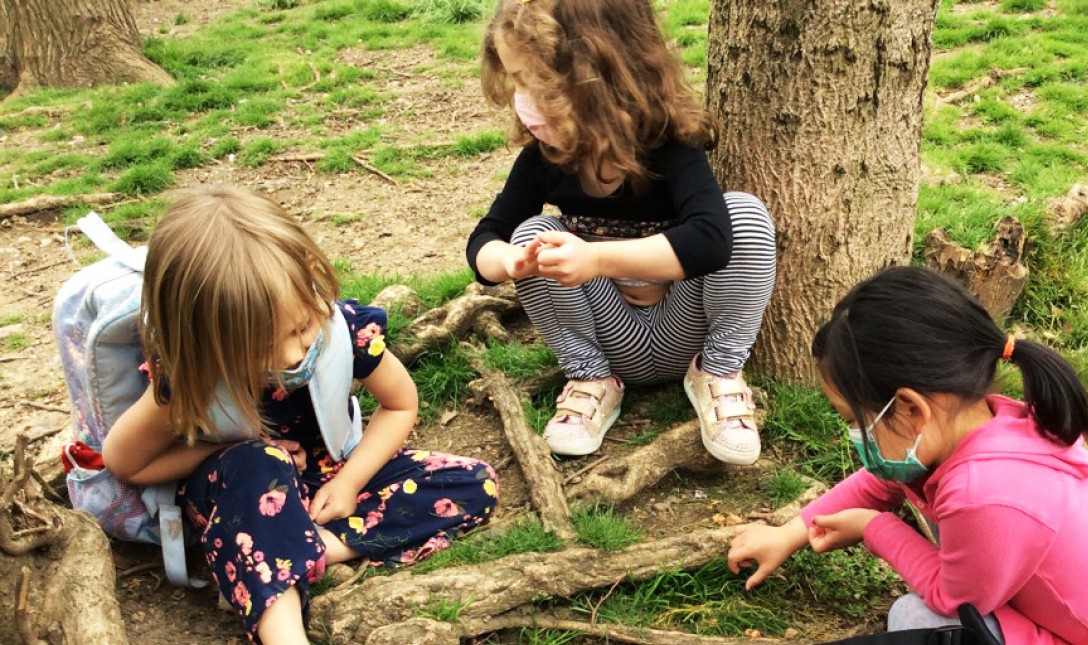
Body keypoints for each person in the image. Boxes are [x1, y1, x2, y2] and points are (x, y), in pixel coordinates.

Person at [102, 186, 498, 645]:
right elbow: (125, 461)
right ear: (204, 343)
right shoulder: (191, 375)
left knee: (472, 482)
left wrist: (349, 482)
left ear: (311, 280)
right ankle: (284, 631)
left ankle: (293, 552)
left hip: (332, 474)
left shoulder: (346, 329)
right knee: (258, 464)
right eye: (257, 353)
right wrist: (230, 448)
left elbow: (400, 404)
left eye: (301, 329)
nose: (292, 356)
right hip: (244, 493)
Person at [726, 266, 1088, 644]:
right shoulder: (988, 422)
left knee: (916, 618)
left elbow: (949, 597)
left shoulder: (983, 493)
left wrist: (874, 528)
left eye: (854, 420)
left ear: (911, 408)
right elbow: (884, 480)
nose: (854, 435)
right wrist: (791, 533)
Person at [466, 0, 777, 464]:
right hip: (607, 340)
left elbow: (711, 240)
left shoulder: (669, 146)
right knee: (531, 230)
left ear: (601, 76)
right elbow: (484, 239)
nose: (521, 97)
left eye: (534, 82)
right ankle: (590, 381)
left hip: (684, 327)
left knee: (745, 215)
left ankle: (719, 373)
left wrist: (596, 260)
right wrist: (510, 261)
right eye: (515, 80)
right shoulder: (544, 159)